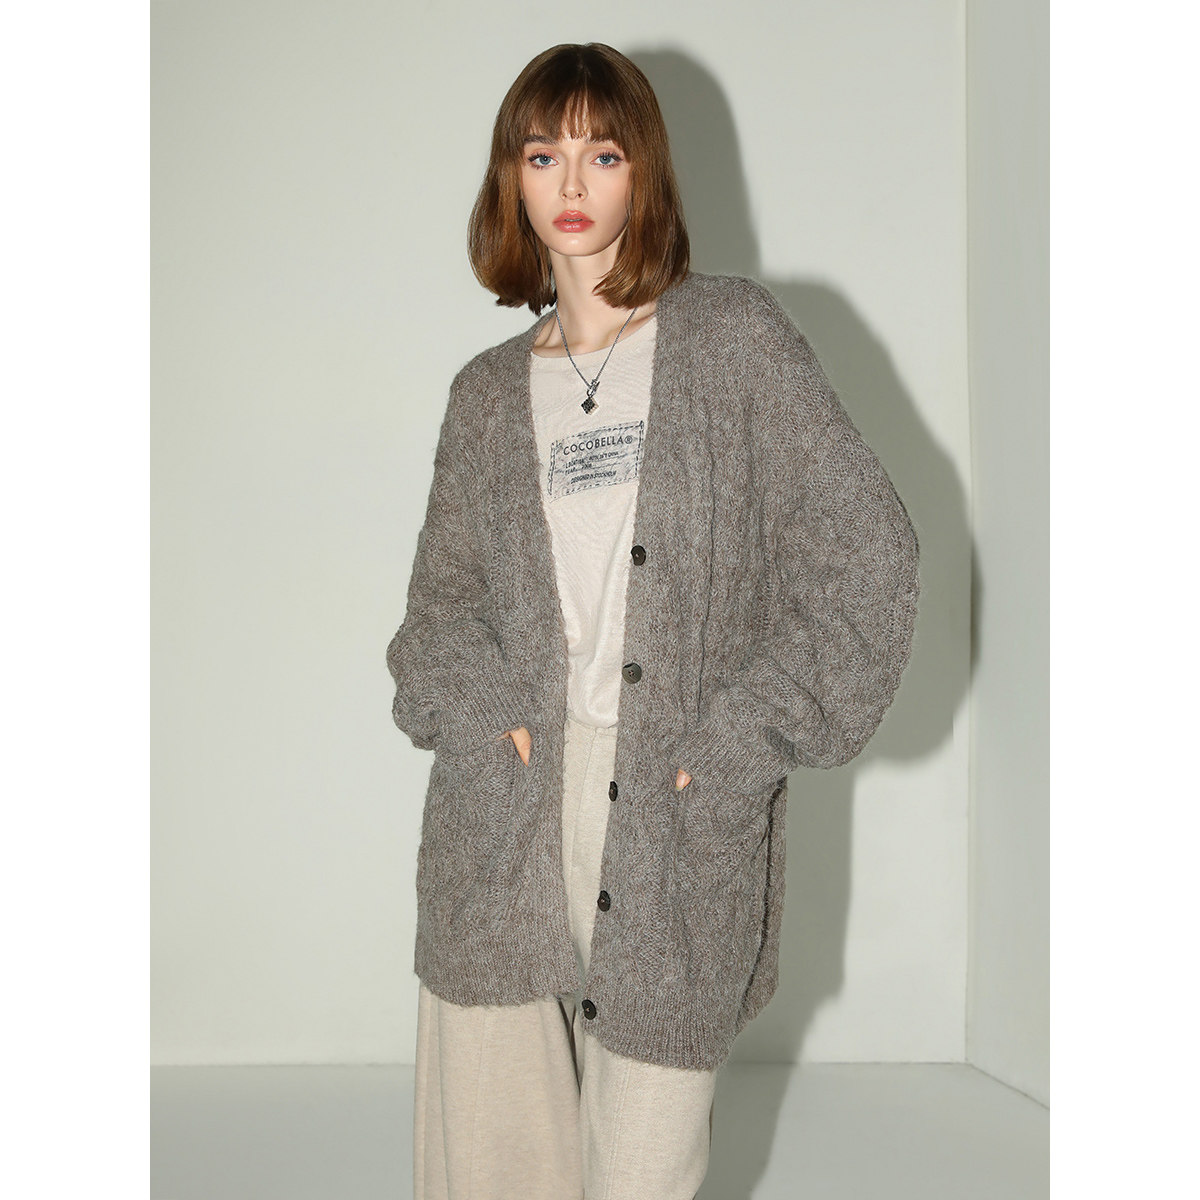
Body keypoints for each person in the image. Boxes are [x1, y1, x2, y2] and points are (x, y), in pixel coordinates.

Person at [386, 42, 920, 1200]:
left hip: (675, 804)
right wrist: (485, 716)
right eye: (543, 156)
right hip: (505, 809)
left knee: (644, 1168)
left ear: (646, 173)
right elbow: (435, 618)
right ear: (511, 180)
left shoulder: (733, 342)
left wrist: (736, 744)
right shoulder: (484, 397)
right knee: (492, 1173)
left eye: (604, 154)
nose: (572, 184)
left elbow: (868, 557)